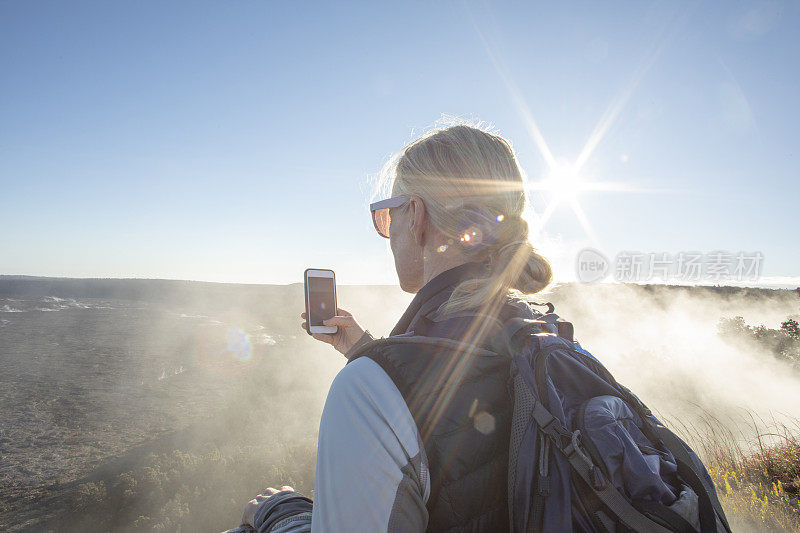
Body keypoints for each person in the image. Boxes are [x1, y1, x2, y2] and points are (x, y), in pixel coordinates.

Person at [229, 123, 552, 532]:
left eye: (385, 215)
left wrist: (283, 516)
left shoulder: (365, 393)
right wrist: (367, 350)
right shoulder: (541, 332)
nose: (388, 233)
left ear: (416, 215)